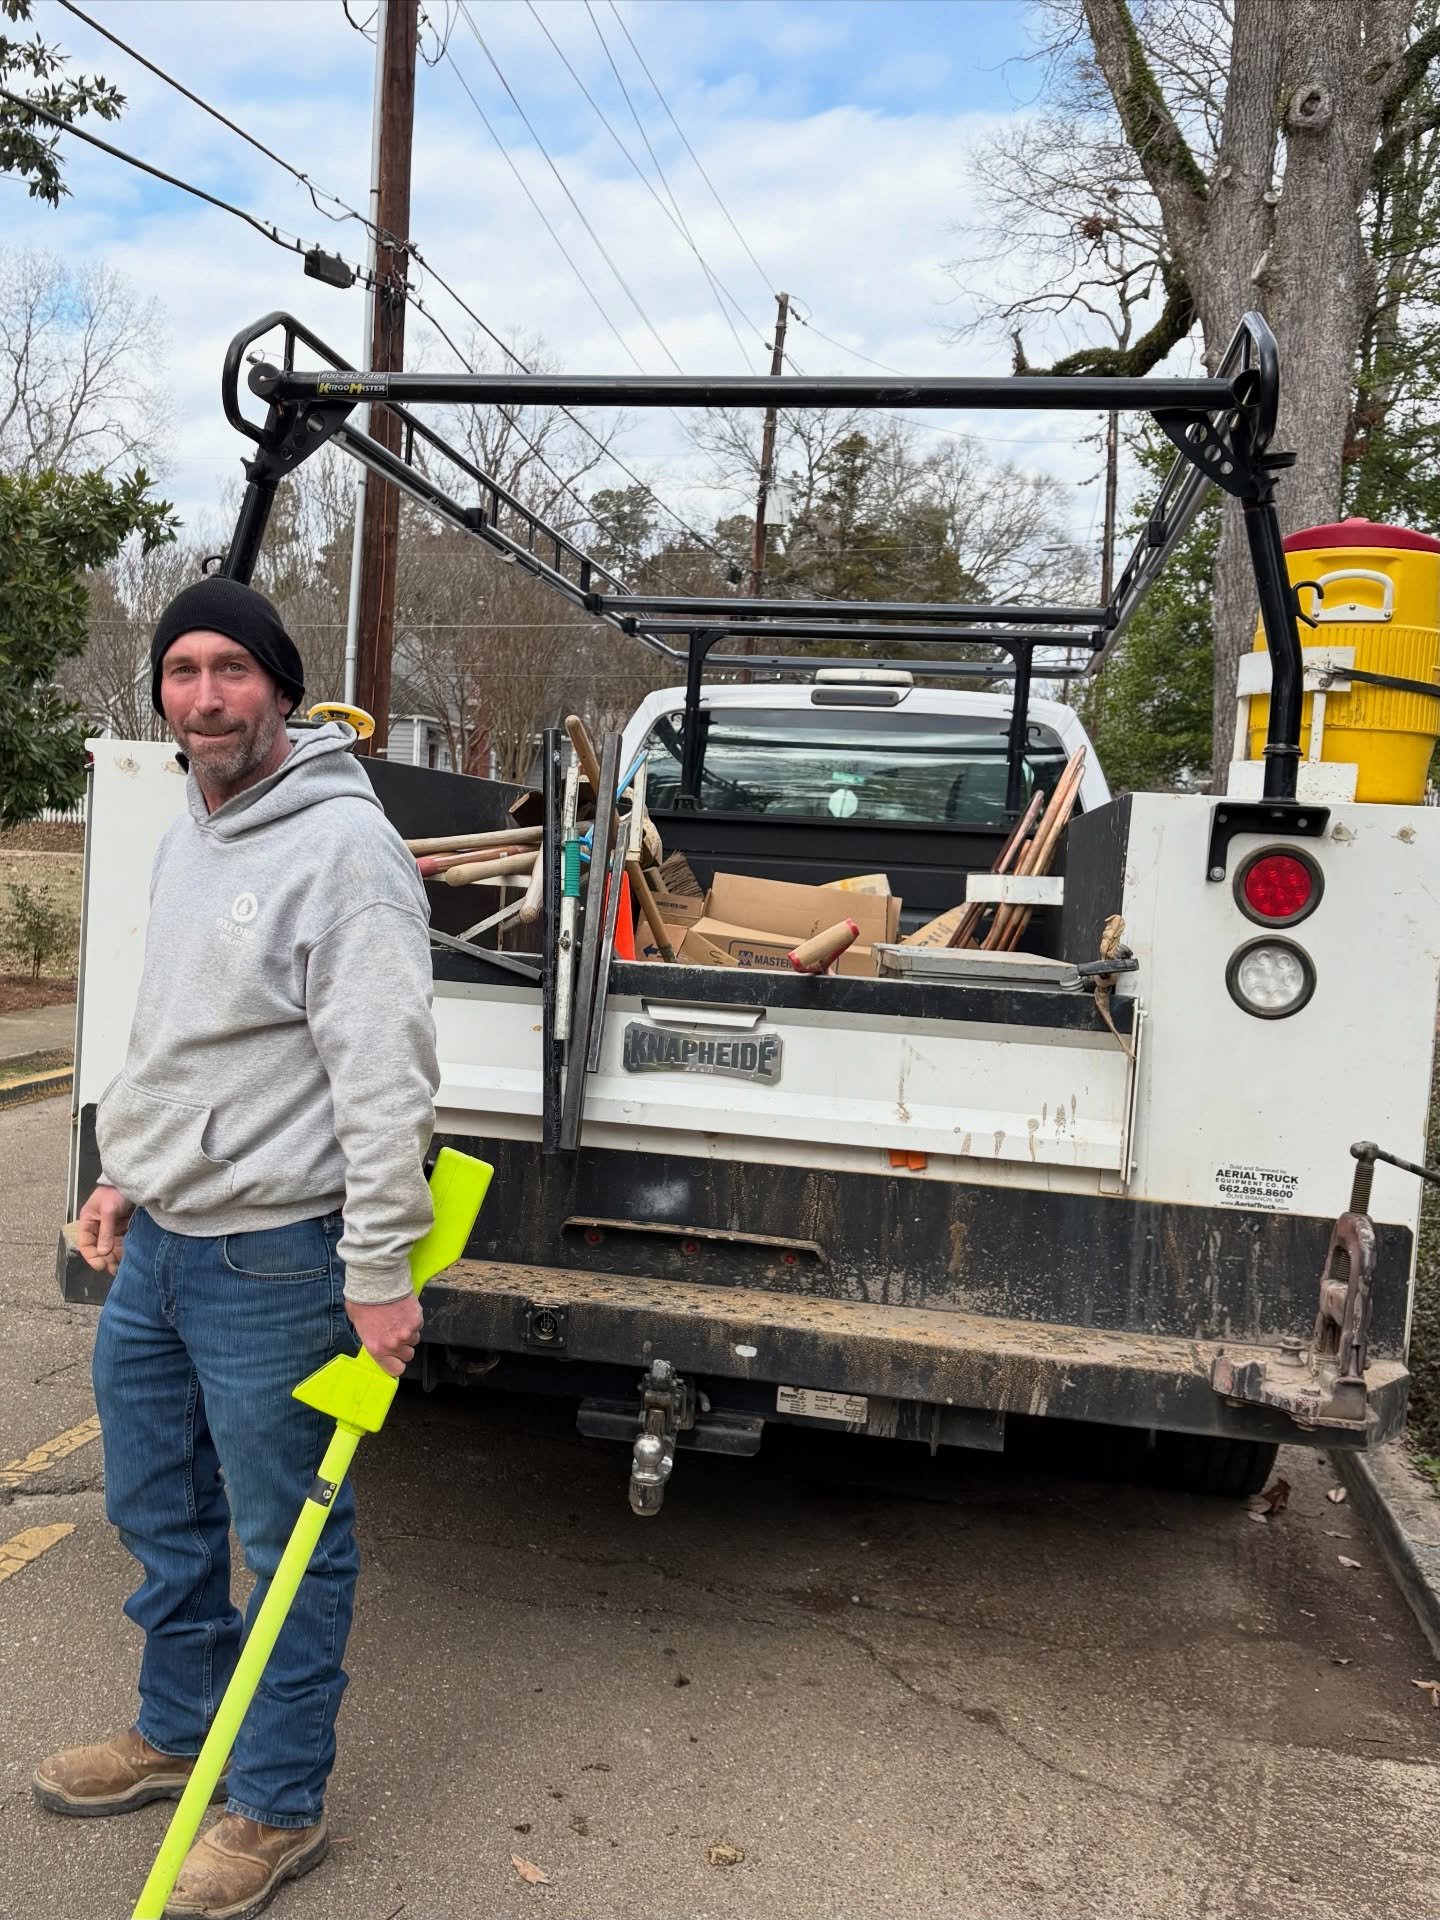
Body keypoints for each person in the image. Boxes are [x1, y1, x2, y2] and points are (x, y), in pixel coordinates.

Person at [33, 577, 439, 1920]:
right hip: (162, 1244)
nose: (205, 698)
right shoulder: (189, 831)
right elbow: (172, 1036)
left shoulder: (347, 851)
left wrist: (378, 1272)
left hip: (276, 1257)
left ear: (281, 689)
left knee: (287, 1540)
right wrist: (122, 1175)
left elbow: (385, 1078)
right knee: (156, 1508)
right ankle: (179, 1729)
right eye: (183, 671)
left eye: (232, 671)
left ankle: (274, 1802)